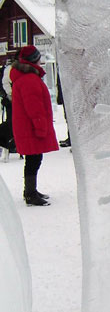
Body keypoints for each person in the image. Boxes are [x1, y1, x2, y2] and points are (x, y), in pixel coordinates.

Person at [10, 45, 59, 205]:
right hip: (30, 127)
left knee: (33, 159)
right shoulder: (29, 79)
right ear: (34, 60)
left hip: (26, 126)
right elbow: (34, 107)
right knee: (33, 160)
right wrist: (40, 126)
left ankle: (31, 191)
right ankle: (30, 193)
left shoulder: (26, 77)